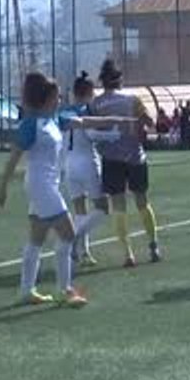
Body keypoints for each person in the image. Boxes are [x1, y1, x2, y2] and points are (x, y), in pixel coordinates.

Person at [0, 71, 137, 306]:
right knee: (68, 234)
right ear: (47, 99)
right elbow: (14, 157)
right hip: (41, 186)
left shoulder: (55, 119)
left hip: (47, 185)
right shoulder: (31, 124)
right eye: (57, 97)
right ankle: (66, 290)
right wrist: (2, 189)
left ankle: (26, 291)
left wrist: (117, 121)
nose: (60, 100)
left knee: (36, 240)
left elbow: (86, 122)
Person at [91, 59, 160, 266]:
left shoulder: (95, 104)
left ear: (102, 81)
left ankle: (128, 254)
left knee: (118, 206)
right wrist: (140, 127)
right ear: (120, 79)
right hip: (134, 156)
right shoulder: (132, 99)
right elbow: (150, 122)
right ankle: (153, 246)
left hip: (110, 158)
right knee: (142, 201)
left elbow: (93, 130)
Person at [62, 72, 115, 267]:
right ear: (90, 92)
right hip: (87, 163)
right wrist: (114, 134)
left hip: (69, 165)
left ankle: (83, 252)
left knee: (80, 211)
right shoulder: (87, 110)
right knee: (102, 209)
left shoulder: (64, 111)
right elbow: (92, 133)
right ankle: (74, 238)